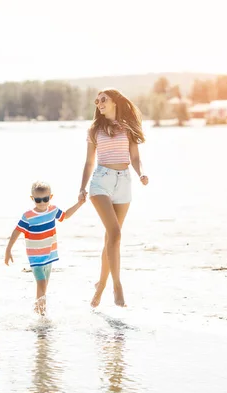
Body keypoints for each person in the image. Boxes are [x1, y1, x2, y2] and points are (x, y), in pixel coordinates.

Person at [78, 88, 149, 308]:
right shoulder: (94, 130)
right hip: (101, 181)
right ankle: (117, 287)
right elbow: (89, 162)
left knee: (112, 239)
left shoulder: (127, 128)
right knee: (115, 233)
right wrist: (82, 188)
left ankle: (100, 287)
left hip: (124, 182)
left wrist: (142, 173)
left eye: (103, 100)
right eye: (97, 101)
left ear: (114, 102)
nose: (99, 103)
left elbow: (135, 157)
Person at [4, 181, 85, 315]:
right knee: (41, 285)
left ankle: (38, 310)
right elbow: (16, 231)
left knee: (44, 286)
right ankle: (42, 316)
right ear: (32, 199)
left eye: (45, 199)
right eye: (38, 200)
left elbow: (65, 216)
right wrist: (8, 250)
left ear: (50, 197)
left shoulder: (53, 210)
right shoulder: (28, 216)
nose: (42, 203)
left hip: (49, 255)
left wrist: (79, 204)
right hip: (35, 258)